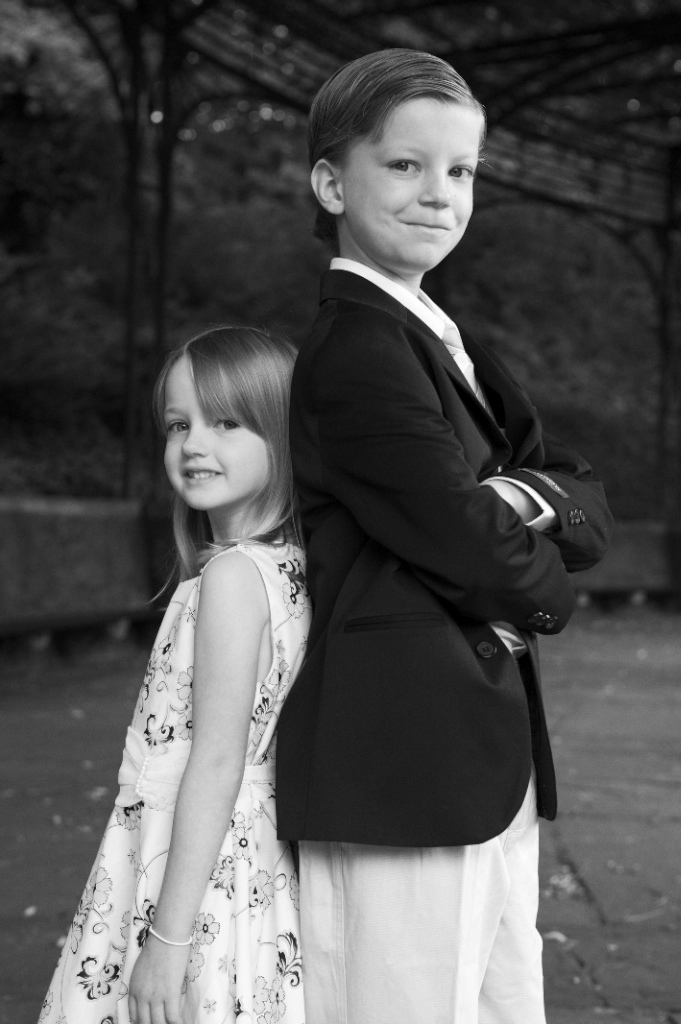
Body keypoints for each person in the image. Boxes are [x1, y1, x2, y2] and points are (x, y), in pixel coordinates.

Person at [275, 49, 613, 1024]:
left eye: (460, 170)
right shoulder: (355, 348)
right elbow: (470, 546)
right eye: (405, 165)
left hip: (477, 749)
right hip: (402, 758)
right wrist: (540, 556)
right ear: (331, 183)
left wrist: (519, 496)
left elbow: (589, 500)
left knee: (499, 1003)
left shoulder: (441, 335)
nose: (439, 193)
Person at [39, 327, 311, 1024]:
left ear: (282, 435)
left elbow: (217, 759)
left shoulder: (233, 578)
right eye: (179, 424)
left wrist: (166, 939)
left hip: (194, 874)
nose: (194, 444)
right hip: (244, 864)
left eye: (226, 423)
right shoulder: (284, 566)